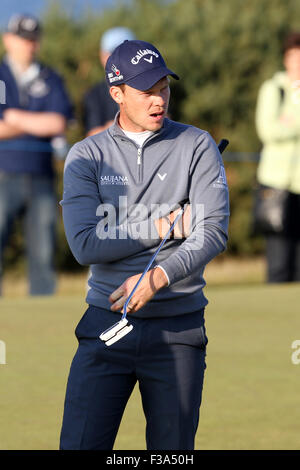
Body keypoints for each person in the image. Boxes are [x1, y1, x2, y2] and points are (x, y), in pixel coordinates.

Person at [59, 39, 229, 450]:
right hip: (107, 325)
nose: (159, 100)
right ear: (116, 94)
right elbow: (84, 245)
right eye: (146, 91)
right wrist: (166, 225)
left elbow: (212, 231)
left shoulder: (197, 145)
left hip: (178, 328)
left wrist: (157, 276)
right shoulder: (87, 155)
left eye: (164, 88)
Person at [0, 14, 73, 296]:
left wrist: (14, 117)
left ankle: (42, 311)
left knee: (44, 251)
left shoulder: (50, 77)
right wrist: (36, 123)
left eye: (33, 40)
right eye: (22, 38)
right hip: (3, 174)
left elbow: (57, 123)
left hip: (42, 176)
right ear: (8, 39)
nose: (28, 45)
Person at [255, 32, 300, 283]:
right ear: (286, 59)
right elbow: (268, 130)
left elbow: (281, 127)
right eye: (294, 56)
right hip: (276, 184)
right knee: (279, 262)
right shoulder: (274, 89)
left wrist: (289, 123)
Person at [82, 27, 136, 136]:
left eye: (126, 53)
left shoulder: (153, 84)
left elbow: (163, 121)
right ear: (102, 56)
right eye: (114, 53)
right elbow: (92, 135)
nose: (120, 59)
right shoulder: (94, 94)